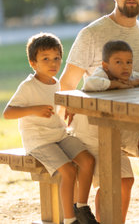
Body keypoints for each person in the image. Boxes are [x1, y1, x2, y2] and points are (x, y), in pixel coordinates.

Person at [59, 0, 139, 224]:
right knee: (121, 183)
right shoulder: (92, 33)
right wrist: (68, 117)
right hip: (95, 125)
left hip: (133, 123)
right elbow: (67, 83)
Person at [3, 33, 98, 224]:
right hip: (38, 141)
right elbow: (7, 113)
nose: (52, 63)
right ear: (33, 63)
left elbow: (63, 105)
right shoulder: (28, 86)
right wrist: (34, 110)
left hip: (59, 135)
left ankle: (81, 207)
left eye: (56, 58)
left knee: (87, 161)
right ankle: (70, 220)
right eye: (45, 59)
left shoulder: (57, 84)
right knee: (69, 171)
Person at [71, 40, 139, 222]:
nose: (125, 66)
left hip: (115, 133)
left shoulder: (129, 77)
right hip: (90, 136)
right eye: (118, 62)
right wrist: (115, 85)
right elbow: (91, 84)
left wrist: (136, 81)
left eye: (129, 62)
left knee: (125, 181)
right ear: (105, 66)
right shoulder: (100, 76)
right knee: (111, 181)